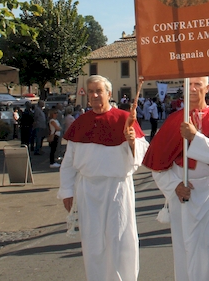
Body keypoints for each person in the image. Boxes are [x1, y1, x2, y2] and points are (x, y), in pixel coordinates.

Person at [143, 76, 209, 281]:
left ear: (207, 88)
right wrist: (174, 186)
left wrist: (194, 138)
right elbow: (158, 166)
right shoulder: (174, 120)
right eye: (189, 84)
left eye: (198, 84)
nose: (193, 88)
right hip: (183, 196)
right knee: (187, 248)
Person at [58, 75, 149, 281]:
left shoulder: (125, 119)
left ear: (109, 93)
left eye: (99, 91)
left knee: (120, 240)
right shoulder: (81, 123)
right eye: (91, 92)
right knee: (92, 242)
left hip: (117, 188)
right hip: (88, 190)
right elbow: (69, 162)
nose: (95, 95)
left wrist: (133, 142)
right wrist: (67, 191)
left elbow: (143, 153)